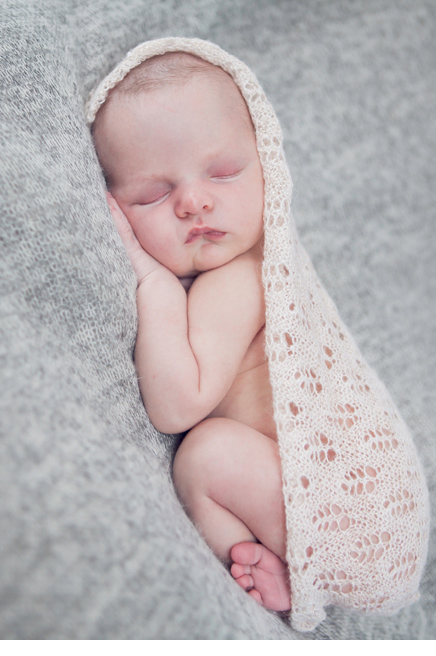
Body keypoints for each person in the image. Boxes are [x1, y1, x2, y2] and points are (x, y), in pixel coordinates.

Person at [92, 52, 292, 611]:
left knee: (204, 456)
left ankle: (292, 566)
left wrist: (154, 285)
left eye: (223, 173)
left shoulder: (242, 278)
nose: (193, 201)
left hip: (336, 506)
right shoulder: (236, 275)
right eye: (154, 195)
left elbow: (177, 406)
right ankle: (266, 563)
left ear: (268, 164)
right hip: (306, 494)